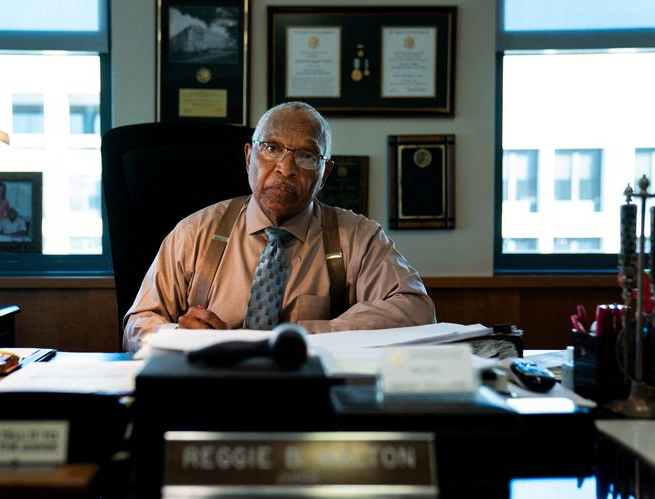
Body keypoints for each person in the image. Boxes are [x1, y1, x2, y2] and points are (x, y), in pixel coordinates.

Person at [123, 101, 436, 352]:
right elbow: (137, 324)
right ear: (249, 158)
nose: (286, 168)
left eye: (306, 155)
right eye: (271, 148)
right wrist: (180, 336)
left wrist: (302, 335)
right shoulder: (195, 233)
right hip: (211, 392)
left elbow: (418, 311)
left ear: (325, 173)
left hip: (311, 398)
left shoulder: (358, 237)